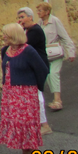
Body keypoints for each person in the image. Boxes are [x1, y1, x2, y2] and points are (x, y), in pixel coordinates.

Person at [0, 23, 48, 154]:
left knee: (27, 123)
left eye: (6, 34)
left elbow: (43, 70)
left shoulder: (28, 51)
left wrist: (35, 87)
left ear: (14, 35)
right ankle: (25, 152)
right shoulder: (5, 51)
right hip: (10, 93)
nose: (4, 37)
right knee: (16, 123)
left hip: (26, 92)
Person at [16, 8, 52, 136]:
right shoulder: (28, 31)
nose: (20, 20)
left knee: (37, 95)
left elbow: (21, 44)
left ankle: (44, 125)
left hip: (38, 67)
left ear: (30, 17)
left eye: (22, 17)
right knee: (32, 95)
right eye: (19, 18)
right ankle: (36, 122)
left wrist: (18, 31)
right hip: (32, 67)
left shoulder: (35, 31)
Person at [35, 2, 75, 111]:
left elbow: (65, 37)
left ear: (47, 12)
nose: (38, 13)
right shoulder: (39, 24)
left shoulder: (55, 21)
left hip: (56, 52)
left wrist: (71, 52)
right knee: (47, 75)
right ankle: (55, 98)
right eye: (38, 11)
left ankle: (58, 100)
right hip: (44, 53)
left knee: (53, 73)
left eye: (40, 10)